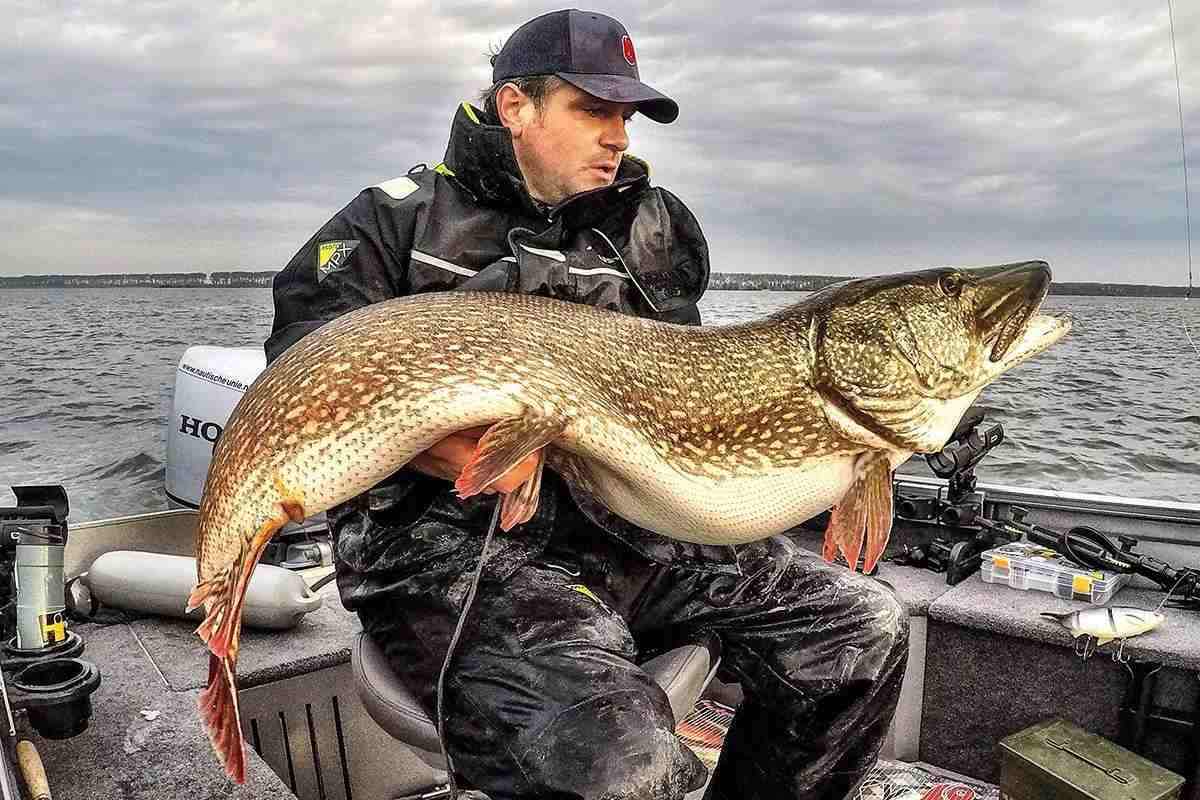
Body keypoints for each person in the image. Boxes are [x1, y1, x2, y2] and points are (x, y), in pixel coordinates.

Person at [265, 10, 908, 800]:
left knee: (862, 628)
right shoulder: (391, 223)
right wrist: (446, 448)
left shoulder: (650, 229)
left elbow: (689, 384)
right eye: (594, 110)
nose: (619, 137)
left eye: (627, 117)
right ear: (516, 108)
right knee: (620, 764)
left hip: (623, 532)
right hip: (447, 551)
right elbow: (308, 369)